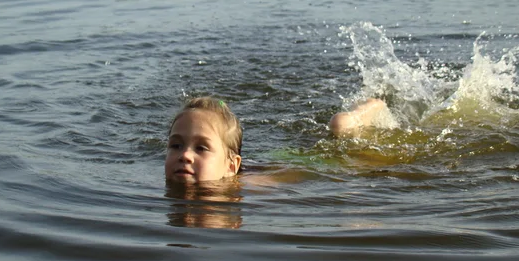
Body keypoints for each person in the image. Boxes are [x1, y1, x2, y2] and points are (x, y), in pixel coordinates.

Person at [165, 96, 390, 185]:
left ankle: (362, 112)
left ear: (231, 166)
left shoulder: (247, 188)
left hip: (308, 161)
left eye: (201, 148)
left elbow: (299, 174)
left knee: (339, 128)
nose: (185, 155)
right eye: (176, 145)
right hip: (274, 157)